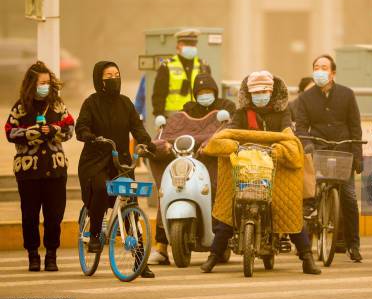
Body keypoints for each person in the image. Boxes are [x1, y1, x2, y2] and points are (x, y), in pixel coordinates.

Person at [200, 70, 321, 275]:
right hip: (245, 169)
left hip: (274, 168)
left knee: (288, 206)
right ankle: (213, 256)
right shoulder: (241, 113)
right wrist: (231, 146)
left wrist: (279, 150)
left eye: (265, 91)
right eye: (256, 92)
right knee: (228, 208)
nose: (260, 95)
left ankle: (307, 257)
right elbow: (228, 133)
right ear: (249, 94)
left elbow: (288, 137)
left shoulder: (283, 113)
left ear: (272, 92)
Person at [76, 61, 157, 278]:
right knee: (101, 188)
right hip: (95, 161)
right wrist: (89, 136)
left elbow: (137, 127)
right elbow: (81, 126)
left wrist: (146, 142)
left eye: (117, 74)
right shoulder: (91, 103)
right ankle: (94, 236)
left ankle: (140, 260)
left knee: (130, 202)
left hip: (120, 162)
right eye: (109, 75)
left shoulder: (125, 103)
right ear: (99, 80)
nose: (114, 78)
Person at [148, 72, 236, 265]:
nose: (205, 94)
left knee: (220, 192)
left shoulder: (226, 108)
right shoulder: (184, 112)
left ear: (215, 91)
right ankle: (161, 247)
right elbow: (171, 132)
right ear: (195, 94)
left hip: (212, 161)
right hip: (186, 161)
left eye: (209, 91)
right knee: (167, 190)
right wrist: (163, 145)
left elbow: (229, 131)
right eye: (201, 92)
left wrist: (211, 143)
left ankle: (221, 241)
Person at [5, 61, 74, 272]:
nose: (46, 86)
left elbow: (69, 127)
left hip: (55, 170)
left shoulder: (57, 104)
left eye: (48, 82)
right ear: (31, 84)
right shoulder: (20, 106)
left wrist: (53, 130)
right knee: (30, 216)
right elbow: (9, 132)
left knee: (54, 216)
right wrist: (32, 133)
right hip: (29, 172)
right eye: (42, 82)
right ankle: (33, 255)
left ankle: (51, 255)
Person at [295, 55, 364, 263]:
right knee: (310, 195)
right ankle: (306, 239)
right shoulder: (305, 98)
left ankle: (353, 245)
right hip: (318, 150)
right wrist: (307, 147)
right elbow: (300, 127)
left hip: (343, 150)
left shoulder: (347, 94)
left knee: (349, 197)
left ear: (333, 73)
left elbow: (355, 127)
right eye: (316, 67)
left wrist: (358, 157)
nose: (320, 71)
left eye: (324, 68)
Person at [152, 28, 209, 129]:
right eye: (187, 44)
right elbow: (159, 94)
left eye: (193, 44)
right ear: (178, 45)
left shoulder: (203, 66)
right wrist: (158, 114)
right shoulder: (167, 65)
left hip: (199, 118)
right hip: (173, 119)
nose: (191, 47)